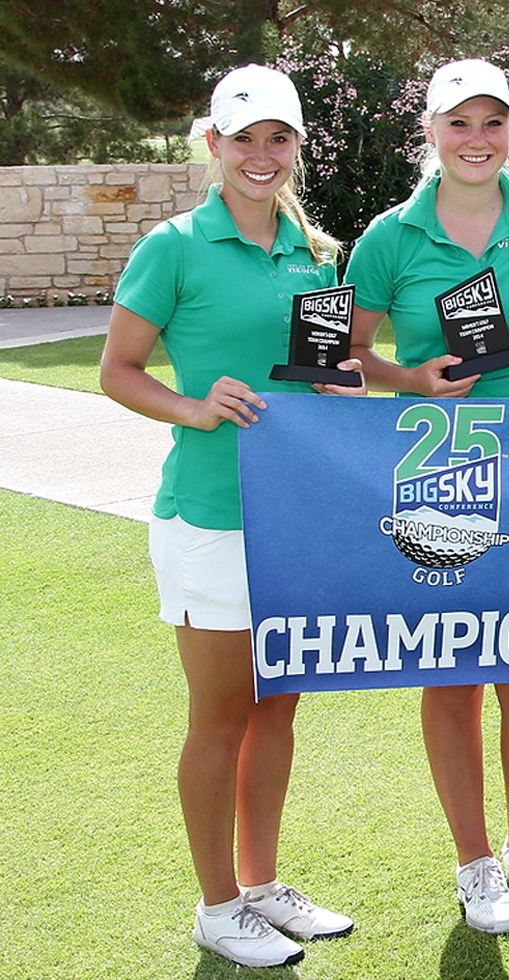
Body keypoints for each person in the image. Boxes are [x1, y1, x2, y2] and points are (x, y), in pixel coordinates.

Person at [99, 64, 359, 969]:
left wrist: (340, 384)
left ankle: (259, 885)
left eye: (278, 138)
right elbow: (118, 370)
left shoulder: (316, 252)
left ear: (295, 148)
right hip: (209, 515)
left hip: (295, 516)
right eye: (243, 138)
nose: (261, 155)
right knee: (221, 714)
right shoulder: (172, 246)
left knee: (279, 706)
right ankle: (216, 907)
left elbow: (318, 373)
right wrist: (193, 406)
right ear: (212, 145)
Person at [344, 59, 509, 934]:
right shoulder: (389, 236)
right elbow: (348, 349)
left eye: (493, 123)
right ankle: (475, 860)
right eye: (459, 123)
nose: (477, 140)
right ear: (430, 133)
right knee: (451, 671)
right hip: (438, 469)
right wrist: (408, 377)